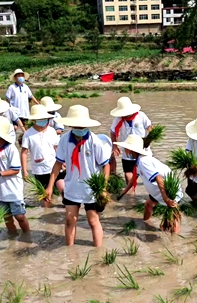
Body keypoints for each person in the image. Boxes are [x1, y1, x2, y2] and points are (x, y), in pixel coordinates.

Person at [45, 105, 110, 247]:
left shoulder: (94, 141)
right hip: (72, 186)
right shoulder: (64, 140)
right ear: (70, 125)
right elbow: (58, 164)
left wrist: (103, 188)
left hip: (91, 188)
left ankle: (98, 252)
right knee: (70, 220)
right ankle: (70, 252)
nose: (79, 128)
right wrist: (49, 186)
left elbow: (106, 165)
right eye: (76, 125)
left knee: (93, 221)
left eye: (82, 126)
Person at [116, 134, 183, 234]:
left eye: (125, 148)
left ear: (130, 150)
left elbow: (159, 178)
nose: (124, 151)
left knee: (173, 219)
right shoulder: (139, 161)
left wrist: (166, 199)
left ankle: (174, 240)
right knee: (148, 205)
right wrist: (123, 192)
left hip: (167, 190)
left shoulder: (143, 162)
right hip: (157, 190)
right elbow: (134, 178)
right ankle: (146, 224)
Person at [0, 116, 30, 235]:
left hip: (12, 189)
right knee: (6, 217)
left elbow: (15, 170)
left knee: (19, 216)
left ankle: (27, 235)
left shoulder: (11, 149)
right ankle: (13, 237)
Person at [21, 105, 65, 207]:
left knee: (64, 191)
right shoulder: (28, 134)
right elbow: (24, 153)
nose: (44, 121)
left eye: (45, 119)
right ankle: (48, 213)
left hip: (55, 167)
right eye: (41, 119)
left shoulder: (52, 131)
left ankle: (67, 211)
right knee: (46, 198)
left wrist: (62, 162)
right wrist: (25, 171)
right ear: (34, 120)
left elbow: (57, 148)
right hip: (39, 171)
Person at [109, 97, 153, 183]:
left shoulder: (141, 116)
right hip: (127, 151)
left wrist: (148, 141)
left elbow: (150, 128)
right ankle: (131, 190)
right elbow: (113, 132)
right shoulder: (118, 119)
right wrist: (114, 146)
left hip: (143, 150)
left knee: (148, 174)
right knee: (128, 173)